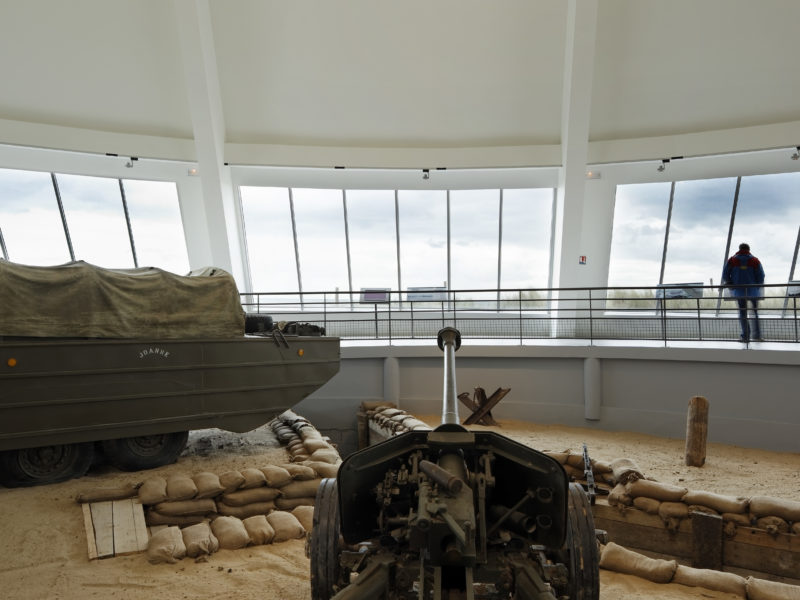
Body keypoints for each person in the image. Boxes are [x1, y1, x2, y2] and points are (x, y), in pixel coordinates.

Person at [721, 243, 765, 342]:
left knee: (742, 313)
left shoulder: (732, 260)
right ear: (749, 249)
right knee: (754, 312)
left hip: (739, 291)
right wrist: (757, 285)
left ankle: (745, 337)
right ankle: (757, 336)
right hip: (753, 291)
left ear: (739, 249)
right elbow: (761, 276)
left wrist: (730, 283)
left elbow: (725, 274)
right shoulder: (755, 260)